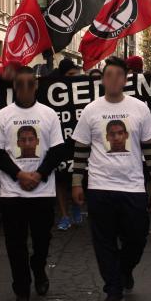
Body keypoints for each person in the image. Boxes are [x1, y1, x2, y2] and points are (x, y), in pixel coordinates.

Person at [71, 56, 151, 301]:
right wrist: (76, 182)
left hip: (132, 187)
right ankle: (113, 288)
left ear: (125, 79)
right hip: (100, 187)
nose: (112, 79)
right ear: (102, 79)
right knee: (104, 240)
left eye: (118, 75)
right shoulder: (91, 110)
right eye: (108, 75)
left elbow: (150, 147)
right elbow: (81, 150)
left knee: (137, 237)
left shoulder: (139, 108)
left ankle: (124, 269)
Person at [0, 66, 67, 301]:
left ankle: (38, 267)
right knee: (15, 243)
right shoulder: (2, 116)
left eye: (29, 84)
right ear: (14, 87)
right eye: (19, 84)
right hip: (13, 192)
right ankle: (21, 289)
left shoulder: (49, 114)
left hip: (42, 191)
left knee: (42, 239)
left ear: (36, 86)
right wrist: (19, 174)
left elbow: (57, 151)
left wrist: (39, 174)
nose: (24, 89)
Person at [53, 58, 82, 231]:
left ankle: (77, 205)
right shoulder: (54, 90)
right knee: (61, 180)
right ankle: (64, 215)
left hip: (77, 143)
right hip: (61, 143)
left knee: (77, 177)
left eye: (76, 75)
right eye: (70, 75)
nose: (74, 78)